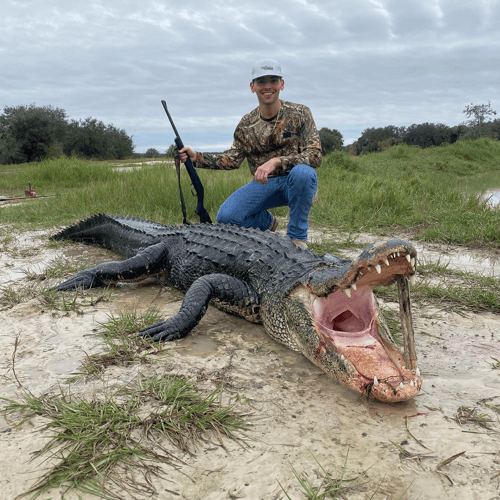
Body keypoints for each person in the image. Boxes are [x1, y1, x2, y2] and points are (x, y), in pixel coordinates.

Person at [179, 59, 322, 248]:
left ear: (282, 84)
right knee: (227, 217)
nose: (267, 86)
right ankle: (268, 223)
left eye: (273, 80)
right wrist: (197, 157)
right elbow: (232, 160)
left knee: (304, 173)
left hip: (295, 181)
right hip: (264, 184)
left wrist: (277, 161)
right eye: (261, 82)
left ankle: (296, 239)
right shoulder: (246, 124)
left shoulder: (300, 113)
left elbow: (315, 154)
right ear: (252, 87)